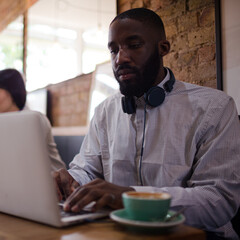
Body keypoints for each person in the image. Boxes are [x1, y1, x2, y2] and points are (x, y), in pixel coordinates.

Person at [53, 8, 240, 239]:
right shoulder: (104, 111)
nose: (120, 58)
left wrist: (129, 197)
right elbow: (87, 169)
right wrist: (71, 180)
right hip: (119, 232)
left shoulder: (215, 107)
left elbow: (219, 201)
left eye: (134, 45)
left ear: (163, 48)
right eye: (114, 50)